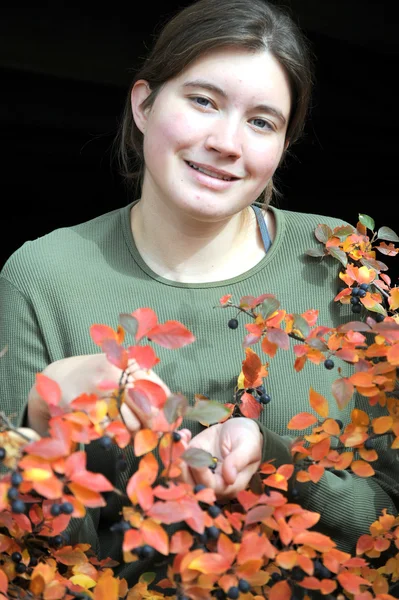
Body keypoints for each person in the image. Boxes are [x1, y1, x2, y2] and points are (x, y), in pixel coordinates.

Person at [1, 0, 398, 586]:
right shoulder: (40, 277)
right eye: (204, 101)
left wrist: (274, 456)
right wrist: (45, 415)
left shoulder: (343, 264)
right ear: (143, 103)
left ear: (284, 145)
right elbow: (18, 565)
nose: (226, 142)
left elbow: (389, 521)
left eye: (262, 121)